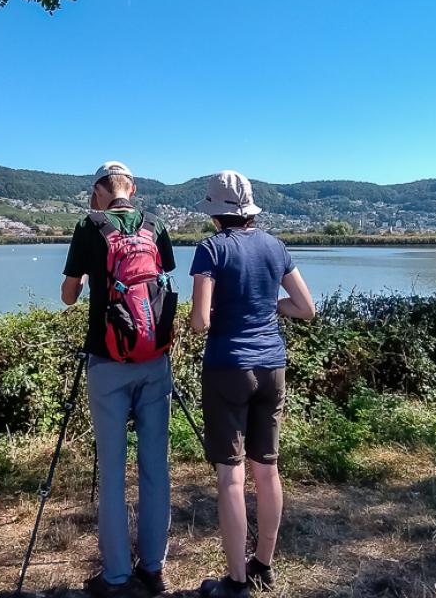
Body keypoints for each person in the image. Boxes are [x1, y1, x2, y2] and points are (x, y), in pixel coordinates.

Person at [189, 170, 315, 598]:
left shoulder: (211, 249)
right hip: (272, 367)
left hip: (228, 368)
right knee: (267, 468)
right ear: (250, 210)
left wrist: (214, 314)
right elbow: (306, 307)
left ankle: (236, 582)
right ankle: (262, 565)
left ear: (214, 213)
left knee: (231, 475)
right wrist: (268, 306)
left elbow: (200, 321)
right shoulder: (275, 246)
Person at [61, 161, 178, 598]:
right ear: (133, 188)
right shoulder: (155, 224)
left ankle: (115, 576)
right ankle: (153, 568)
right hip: (154, 359)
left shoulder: (89, 226)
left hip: (107, 359)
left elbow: (69, 296)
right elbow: (161, 281)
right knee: (155, 467)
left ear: (98, 192)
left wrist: (87, 281)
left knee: (112, 470)